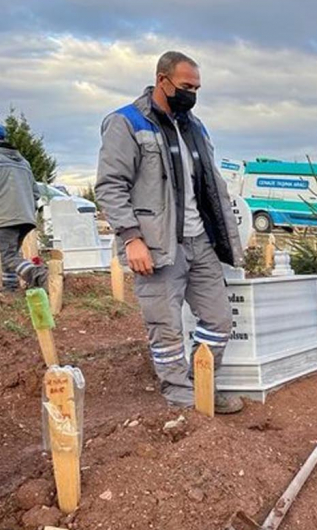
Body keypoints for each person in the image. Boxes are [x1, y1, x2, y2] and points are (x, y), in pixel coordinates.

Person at [96, 51, 245, 413]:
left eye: (197, 88)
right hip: (156, 245)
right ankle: (181, 401)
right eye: (185, 86)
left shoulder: (196, 127)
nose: (192, 94)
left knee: (219, 320)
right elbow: (109, 186)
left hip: (200, 241)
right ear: (162, 80)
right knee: (165, 327)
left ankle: (200, 384)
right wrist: (132, 237)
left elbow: (210, 185)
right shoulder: (127, 123)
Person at [0, 123, 47, 291]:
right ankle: (10, 289)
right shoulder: (23, 161)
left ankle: (39, 275)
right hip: (26, 216)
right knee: (12, 254)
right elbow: (35, 193)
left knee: (6, 256)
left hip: (4, 216)